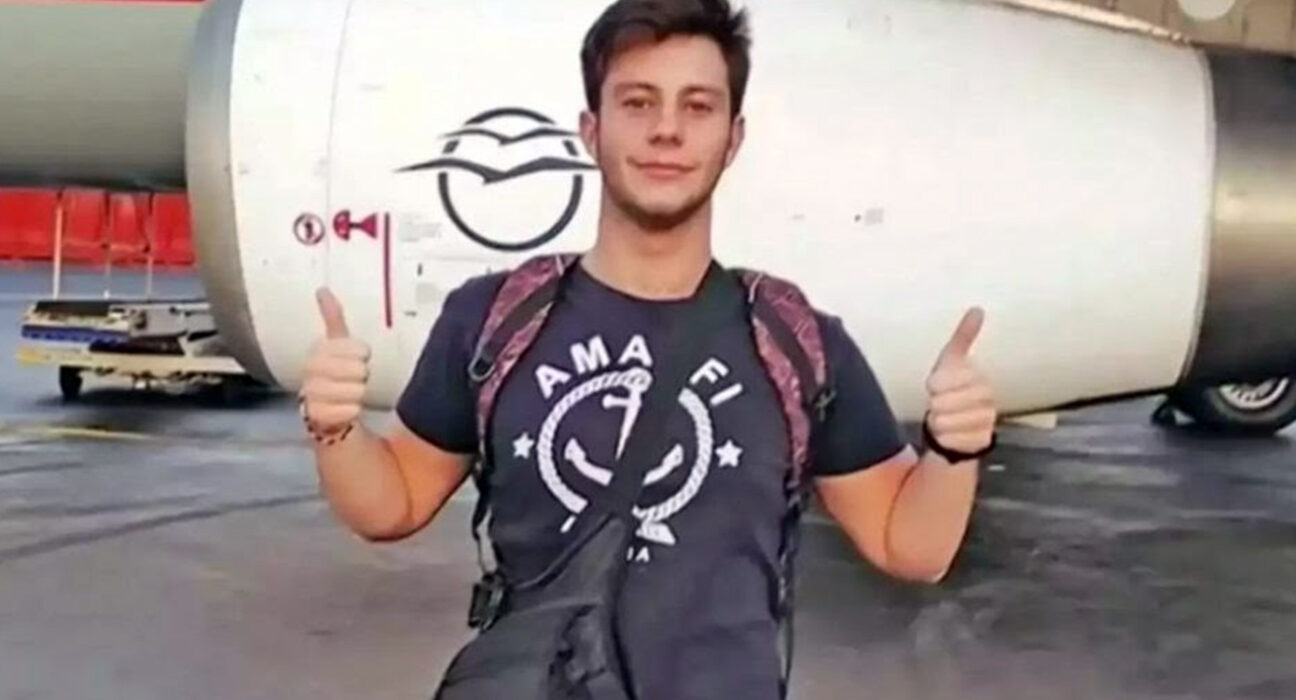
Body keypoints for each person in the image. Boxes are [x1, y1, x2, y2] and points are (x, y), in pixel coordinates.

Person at [299, 0, 998, 697]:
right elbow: (391, 505)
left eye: (698, 106)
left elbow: (912, 546)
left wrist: (954, 449)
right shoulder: (496, 321)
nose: (667, 129)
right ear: (590, 129)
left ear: (733, 138)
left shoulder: (796, 343)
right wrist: (335, 428)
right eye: (637, 102)